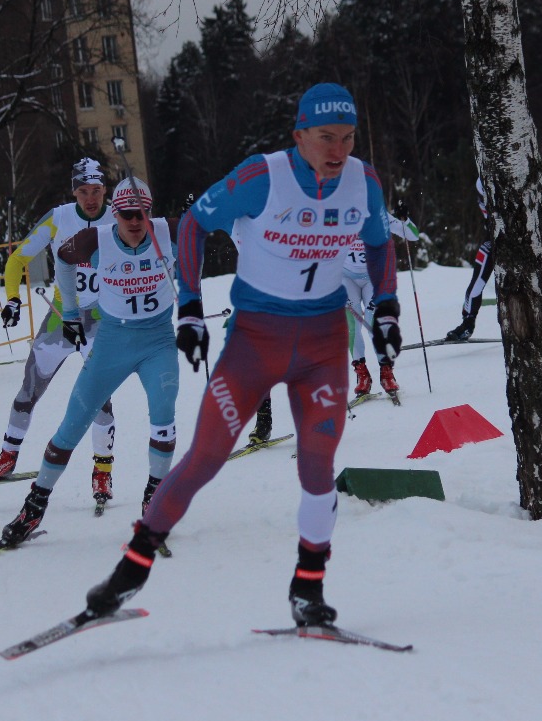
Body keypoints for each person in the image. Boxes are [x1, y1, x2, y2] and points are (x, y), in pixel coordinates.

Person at [81, 82, 401, 628]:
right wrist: (188, 307)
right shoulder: (262, 176)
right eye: (326, 138)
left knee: (318, 464)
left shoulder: (361, 180)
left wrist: (388, 304)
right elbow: (192, 227)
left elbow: (378, 241)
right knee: (205, 458)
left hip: (323, 343)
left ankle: (308, 588)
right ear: (299, 135)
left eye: (347, 139)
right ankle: (128, 573)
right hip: (256, 341)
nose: (338, 150)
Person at [0, 176, 182, 543]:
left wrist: (191, 307)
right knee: (73, 423)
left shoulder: (168, 231)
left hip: (158, 342)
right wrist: (68, 312)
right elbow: (63, 262)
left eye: (142, 214)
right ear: (114, 214)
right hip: (112, 342)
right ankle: (34, 507)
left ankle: (154, 498)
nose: (134, 222)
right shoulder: (94, 240)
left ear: (151, 213)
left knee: (163, 419)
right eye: (127, 214)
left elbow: (209, 231)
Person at [0, 158, 117, 499]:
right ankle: (7, 457)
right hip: (60, 316)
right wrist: (11, 299)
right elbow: (16, 259)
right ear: (74, 193)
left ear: (105, 191)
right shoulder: (59, 218)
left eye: (96, 191)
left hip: (100, 320)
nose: (91, 198)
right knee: (29, 389)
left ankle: (103, 470)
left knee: (100, 399)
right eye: (83, 192)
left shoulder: (119, 217)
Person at [445, 172, 542, 341]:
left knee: (530, 285)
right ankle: (467, 324)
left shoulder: (521, 172)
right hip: (495, 240)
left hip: (525, 241)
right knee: (477, 283)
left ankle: (541, 323)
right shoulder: (482, 183)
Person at [341, 222, 398, 397]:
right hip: (346, 277)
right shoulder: (335, 210)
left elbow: (412, 234)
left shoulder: (375, 211)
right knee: (353, 326)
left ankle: (386, 371)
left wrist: (403, 219)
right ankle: (362, 374)